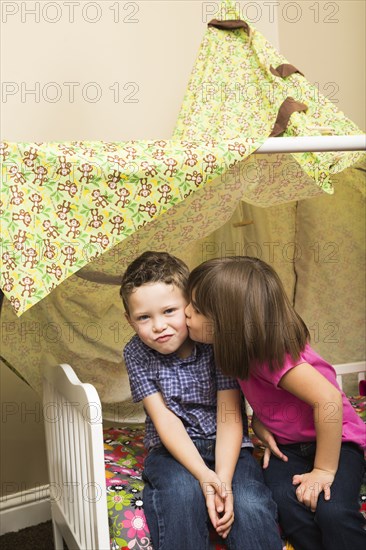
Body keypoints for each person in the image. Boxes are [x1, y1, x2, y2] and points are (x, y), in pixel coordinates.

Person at [185, 255, 366, 550]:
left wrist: (322, 471)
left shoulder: (276, 358)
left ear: (226, 322)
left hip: (336, 441)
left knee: (332, 510)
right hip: (289, 448)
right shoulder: (236, 352)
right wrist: (260, 423)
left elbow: (330, 400)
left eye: (196, 309)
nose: (186, 313)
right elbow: (271, 401)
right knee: (286, 503)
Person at [120, 251, 283, 550]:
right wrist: (202, 475)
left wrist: (221, 480)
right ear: (130, 320)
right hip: (172, 449)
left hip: (229, 444)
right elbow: (164, 419)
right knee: (181, 494)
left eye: (170, 311)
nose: (159, 326)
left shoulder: (213, 342)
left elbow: (230, 414)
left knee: (248, 501)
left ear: (190, 307)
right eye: (144, 317)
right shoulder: (136, 353)